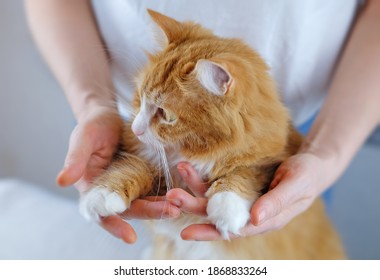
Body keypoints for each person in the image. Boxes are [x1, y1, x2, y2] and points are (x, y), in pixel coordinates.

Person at [25, 0, 380, 244]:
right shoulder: (142, 122)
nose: (138, 126)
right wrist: (95, 107)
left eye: (162, 114)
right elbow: (144, 154)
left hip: (319, 121)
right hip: (106, 99)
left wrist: (324, 154)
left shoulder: (223, 98)